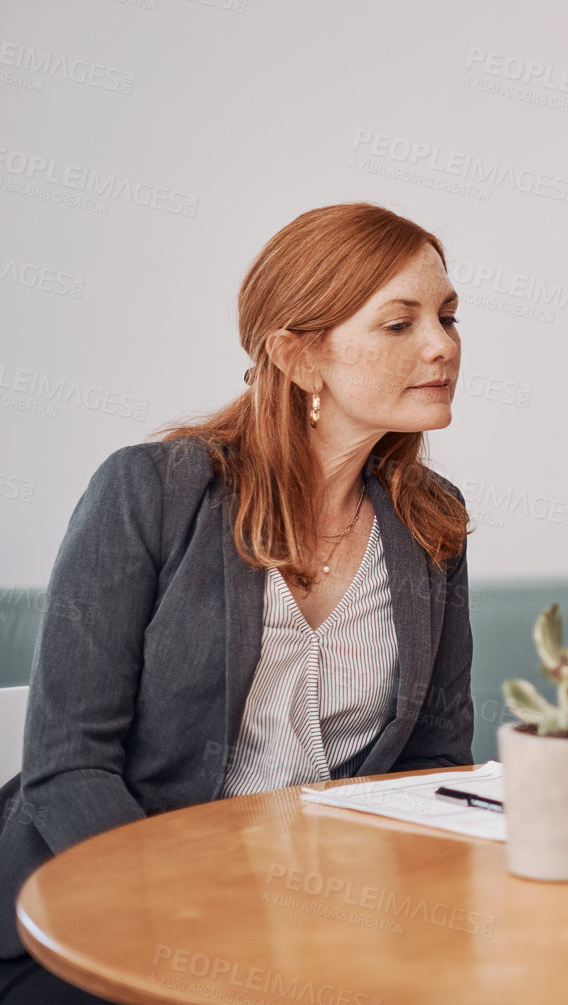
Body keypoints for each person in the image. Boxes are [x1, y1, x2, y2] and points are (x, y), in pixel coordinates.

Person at [0, 204, 476, 1002]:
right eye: (399, 324)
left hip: (318, 922)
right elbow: (69, 764)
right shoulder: (150, 491)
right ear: (298, 356)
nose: (442, 345)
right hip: (98, 916)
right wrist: (195, 917)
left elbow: (433, 763)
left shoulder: (433, 520)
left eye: (448, 316)